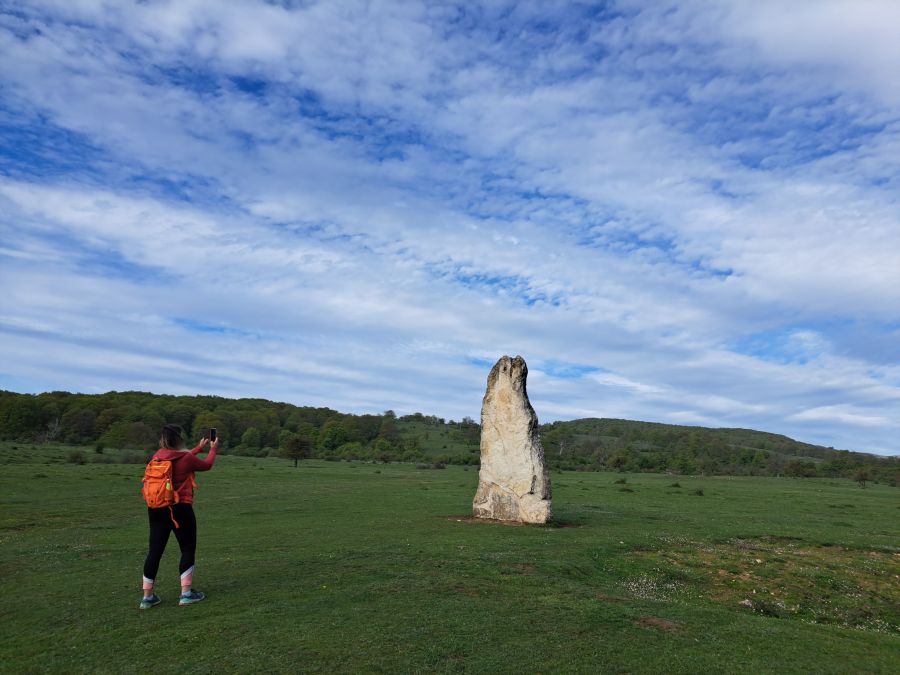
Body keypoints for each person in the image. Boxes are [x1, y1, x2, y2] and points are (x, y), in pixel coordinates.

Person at [140, 424, 218, 609]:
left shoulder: (157, 457)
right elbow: (206, 465)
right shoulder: (186, 458)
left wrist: (198, 448)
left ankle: (147, 597)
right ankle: (186, 594)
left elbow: (180, 461)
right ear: (179, 438)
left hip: (157, 508)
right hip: (180, 509)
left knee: (155, 551)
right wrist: (212, 449)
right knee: (187, 548)